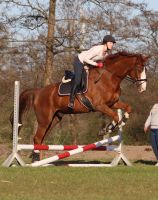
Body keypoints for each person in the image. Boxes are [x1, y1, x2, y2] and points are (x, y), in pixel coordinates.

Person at [68, 34, 116, 109]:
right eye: (110, 43)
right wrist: (96, 64)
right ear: (105, 43)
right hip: (79, 61)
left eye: (112, 43)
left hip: (86, 64)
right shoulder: (97, 49)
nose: (112, 45)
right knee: (78, 80)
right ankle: (71, 100)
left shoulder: (106, 54)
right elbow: (86, 59)